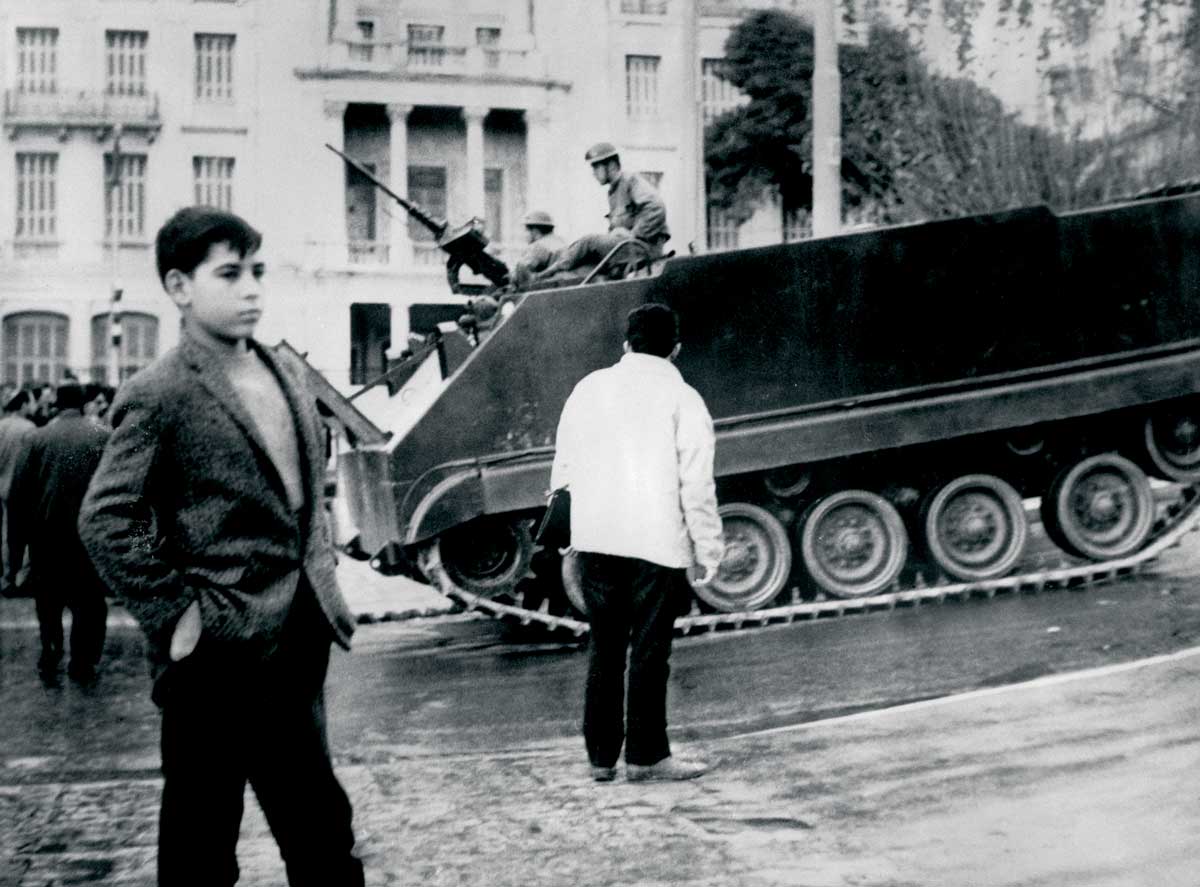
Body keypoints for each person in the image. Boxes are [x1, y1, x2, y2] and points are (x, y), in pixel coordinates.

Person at [78, 206, 364, 886]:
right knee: (200, 842)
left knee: (321, 831)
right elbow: (104, 516)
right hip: (213, 654)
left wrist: (322, 582)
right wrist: (179, 612)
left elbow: (303, 504)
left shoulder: (287, 374)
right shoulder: (161, 391)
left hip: (297, 634)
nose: (252, 289)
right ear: (179, 288)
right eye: (230, 274)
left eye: (257, 272)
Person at [551, 303, 724, 783]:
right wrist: (708, 549)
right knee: (650, 651)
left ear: (625, 345)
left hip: (597, 539)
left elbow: (562, 469)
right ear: (676, 349)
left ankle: (600, 758)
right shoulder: (683, 398)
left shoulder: (588, 389)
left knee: (604, 647)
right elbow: (697, 485)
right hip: (656, 544)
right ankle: (647, 758)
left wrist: (568, 539)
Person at [7, 382, 111, 680]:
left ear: (55, 404)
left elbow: (18, 497)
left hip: (46, 535)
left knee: (48, 599)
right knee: (89, 602)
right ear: (83, 404)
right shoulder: (102, 437)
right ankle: (83, 659)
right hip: (88, 535)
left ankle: (51, 648)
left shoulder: (36, 438)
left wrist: (15, 558)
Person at [535, 142, 670, 281]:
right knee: (579, 271)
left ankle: (547, 272)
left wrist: (633, 236)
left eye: (596, 167)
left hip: (643, 249)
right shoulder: (613, 191)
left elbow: (655, 207)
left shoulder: (630, 181)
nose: (593, 173)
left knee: (589, 241)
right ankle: (543, 281)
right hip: (626, 251)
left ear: (611, 166)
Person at [0, 389, 37, 594]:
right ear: (23, 405)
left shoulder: (1, 426)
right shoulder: (29, 428)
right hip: (23, 489)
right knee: (27, 537)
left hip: (2, 488)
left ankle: (6, 578)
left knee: (6, 536)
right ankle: (23, 578)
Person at [510, 209, 567, 289]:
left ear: (535, 231)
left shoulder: (538, 246)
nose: (523, 235)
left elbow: (519, 275)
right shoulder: (561, 241)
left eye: (525, 231)